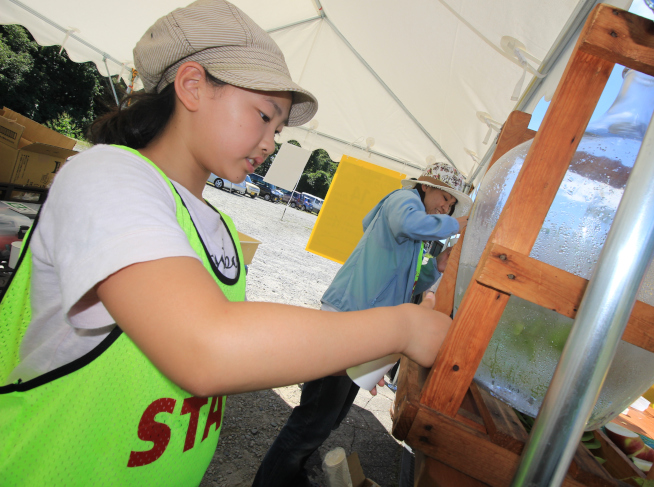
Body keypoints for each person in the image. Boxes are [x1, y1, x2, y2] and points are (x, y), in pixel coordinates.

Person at [0, 1, 451, 485]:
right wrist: (403, 328)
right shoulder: (106, 175)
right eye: (263, 116)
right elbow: (205, 347)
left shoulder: (216, 228)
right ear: (192, 86)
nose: (272, 141)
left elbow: (245, 347)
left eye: (278, 129)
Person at [254, 162, 471, 487]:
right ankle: (272, 480)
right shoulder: (404, 202)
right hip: (348, 319)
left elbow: (411, 282)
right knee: (315, 416)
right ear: (425, 186)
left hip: (364, 328)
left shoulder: (415, 236)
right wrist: (457, 223)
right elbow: (410, 223)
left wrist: (438, 265)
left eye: (452, 205)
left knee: (332, 414)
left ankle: (292, 471)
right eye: (445, 196)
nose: (447, 205)